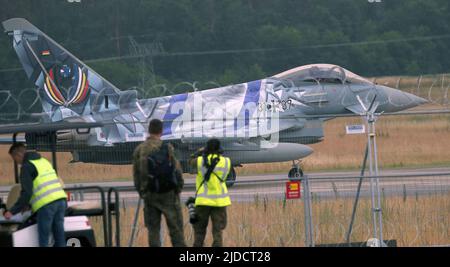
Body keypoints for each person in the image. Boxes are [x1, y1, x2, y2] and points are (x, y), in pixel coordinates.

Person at [132, 119, 186, 247]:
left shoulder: (140, 149)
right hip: (169, 194)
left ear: (149, 130)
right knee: (176, 231)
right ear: (161, 131)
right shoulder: (167, 148)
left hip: (150, 194)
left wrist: (143, 192)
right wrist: (178, 188)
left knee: (153, 231)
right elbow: (177, 170)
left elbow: (137, 175)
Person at [3, 143, 67, 247]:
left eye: (15, 159)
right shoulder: (44, 161)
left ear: (18, 154)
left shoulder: (26, 166)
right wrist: (28, 205)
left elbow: (27, 192)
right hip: (61, 201)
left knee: (44, 239)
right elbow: (42, 185)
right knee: (59, 238)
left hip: (47, 205)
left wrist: (12, 211)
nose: (17, 162)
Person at [191, 138, 231, 247]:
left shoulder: (199, 161)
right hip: (220, 201)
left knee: (199, 231)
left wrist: (200, 152)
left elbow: (191, 161)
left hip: (203, 201)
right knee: (218, 232)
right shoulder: (226, 161)